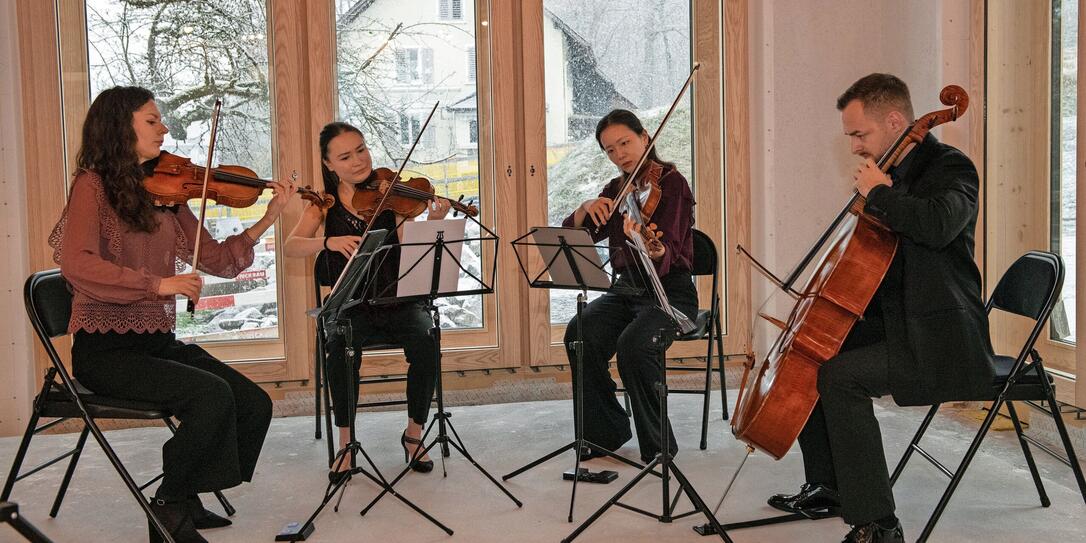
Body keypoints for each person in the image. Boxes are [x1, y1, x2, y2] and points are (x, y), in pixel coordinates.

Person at [50, 86, 296, 543]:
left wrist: (269, 217)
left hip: (156, 342)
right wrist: (158, 284)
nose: (164, 129)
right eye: (152, 120)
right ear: (119, 127)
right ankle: (168, 506)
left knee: (252, 402)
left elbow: (217, 259)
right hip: (106, 352)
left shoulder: (165, 192)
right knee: (210, 397)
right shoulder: (93, 185)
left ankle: (184, 492)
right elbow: (76, 264)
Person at [766, 73, 995, 543]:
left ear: (894, 121)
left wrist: (880, 193)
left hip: (939, 335)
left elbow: (937, 225)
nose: (854, 146)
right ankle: (830, 486)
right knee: (813, 353)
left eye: (859, 134)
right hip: (897, 319)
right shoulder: (890, 171)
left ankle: (879, 524)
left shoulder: (952, 168)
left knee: (841, 377)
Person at [284, 122, 451, 480]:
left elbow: (412, 249)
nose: (358, 160)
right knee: (340, 347)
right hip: (350, 304)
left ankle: (413, 434)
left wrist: (433, 222)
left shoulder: (391, 195)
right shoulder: (324, 205)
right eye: (345, 156)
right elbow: (291, 246)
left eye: (361, 150)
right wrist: (327, 242)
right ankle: (346, 443)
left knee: (427, 340)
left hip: (398, 300)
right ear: (329, 165)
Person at [560, 109, 697, 464]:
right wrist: (585, 208)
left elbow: (670, 250)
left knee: (634, 346)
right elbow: (578, 235)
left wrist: (654, 248)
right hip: (627, 290)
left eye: (625, 143)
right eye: (610, 150)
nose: (619, 154)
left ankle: (658, 446)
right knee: (580, 333)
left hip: (670, 291)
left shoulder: (674, 185)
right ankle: (605, 432)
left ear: (644, 137)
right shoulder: (616, 189)